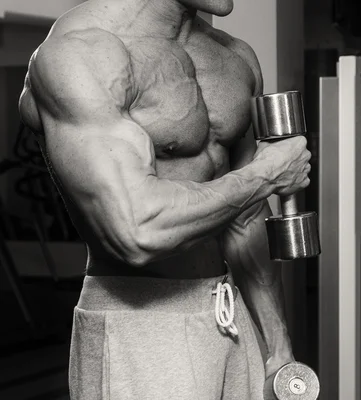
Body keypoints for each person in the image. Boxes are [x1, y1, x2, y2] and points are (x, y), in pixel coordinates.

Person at [18, 0, 312, 398]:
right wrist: (264, 175)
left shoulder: (235, 57)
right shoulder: (81, 53)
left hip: (230, 314)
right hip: (141, 324)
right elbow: (137, 231)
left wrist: (278, 346)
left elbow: (245, 218)